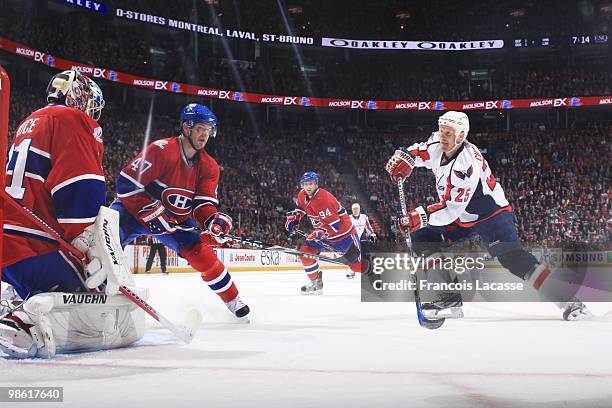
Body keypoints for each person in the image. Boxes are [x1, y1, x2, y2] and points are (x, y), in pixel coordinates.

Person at [385, 110, 591, 321]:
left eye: (449, 133)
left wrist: (419, 217)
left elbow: (449, 210)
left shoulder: (465, 166)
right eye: (442, 130)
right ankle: (448, 298)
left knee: (514, 259)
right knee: (423, 239)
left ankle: (570, 300)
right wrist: (405, 157)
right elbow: (420, 151)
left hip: (491, 213)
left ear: (461, 135)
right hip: (465, 214)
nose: (443, 136)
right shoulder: (437, 142)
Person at [1, 70, 145, 358]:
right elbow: (80, 184)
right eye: (91, 103)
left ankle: (14, 296)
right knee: (108, 310)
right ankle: (25, 320)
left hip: (9, 241)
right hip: (34, 247)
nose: (93, 113)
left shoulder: (28, 123)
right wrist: (88, 241)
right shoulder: (73, 119)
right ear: (77, 94)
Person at [111, 103, 250, 319]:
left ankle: (233, 299)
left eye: (208, 130)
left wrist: (213, 220)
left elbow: (202, 206)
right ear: (187, 127)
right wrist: (152, 212)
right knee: (107, 237)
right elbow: (126, 184)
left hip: (174, 221)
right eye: (200, 128)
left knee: (204, 257)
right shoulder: (162, 150)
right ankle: (94, 290)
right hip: (135, 211)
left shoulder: (209, 166)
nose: (205, 135)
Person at [285, 172, 362, 294]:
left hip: (344, 235)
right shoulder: (302, 195)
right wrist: (295, 219)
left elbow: (335, 226)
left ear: (316, 184)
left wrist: (318, 232)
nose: (308, 187)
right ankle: (316, 284)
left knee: (356, 266)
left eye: (310, 184)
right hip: (324, 235)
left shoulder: (324, 199)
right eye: (305, 184)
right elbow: (300, 208)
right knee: (305, 253)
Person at [347, 203, 377, 279]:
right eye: (354, 209)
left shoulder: (364, 217)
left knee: (365, 255)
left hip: (361, 237)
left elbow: (368, 227)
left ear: (360, 209)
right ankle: (351, 272)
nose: (355, 210)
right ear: (352, 210)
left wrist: (372, 234)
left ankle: (366, 270)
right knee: (352, 256)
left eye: (357, 208)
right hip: (352, 238)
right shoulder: (348, 218)